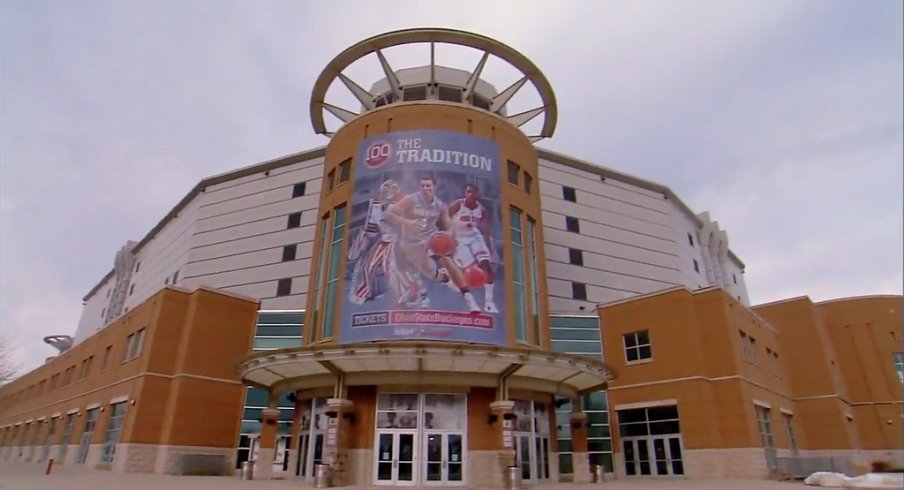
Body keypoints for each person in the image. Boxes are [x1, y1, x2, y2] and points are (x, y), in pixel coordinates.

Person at [384, 174, 480, 313]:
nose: (425, 188)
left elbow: (449, 226)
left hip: (430, 238)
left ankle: (469, 299)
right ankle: (444, 278)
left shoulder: (440, 206)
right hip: (411, 244)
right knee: (431, 273)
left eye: (428, 185)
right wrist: (407, 222)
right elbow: (390, 214)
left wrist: (448, 235)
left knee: (446, 259)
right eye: (422, 186)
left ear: (435, 186)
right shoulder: (410, 200)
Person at [347, 179, 412, 305]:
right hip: (385, 240)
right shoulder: (376, 206)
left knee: (391, 268)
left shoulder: (398, 206)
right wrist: (362, 241)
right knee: (369, 265)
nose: (383, 195)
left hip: (397, 241)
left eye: (387, 192)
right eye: (383, 192)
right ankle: (364, 292)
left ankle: (406, 294)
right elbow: (372, 230)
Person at [446, 183, 498, 313]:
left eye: (472, 192)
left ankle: (489, 303)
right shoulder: (458, 204)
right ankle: (452, 280)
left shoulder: (482, 210)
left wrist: (490, 245)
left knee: (487, 266)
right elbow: (444, 218)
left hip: (474, 237)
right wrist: (448, 237)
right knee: (472, 271)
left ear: (477, 194)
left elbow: (486, 230)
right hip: (459, 239)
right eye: (467, 192)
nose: (469, 194)